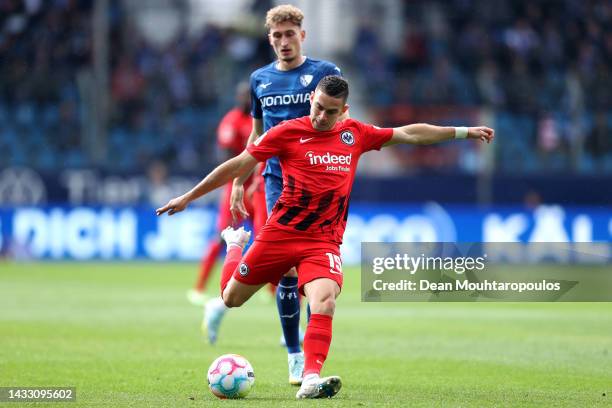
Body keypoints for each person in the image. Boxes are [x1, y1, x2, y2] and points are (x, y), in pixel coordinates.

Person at [156, 75, 495, 399]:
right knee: (231, 299)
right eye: (318, 107)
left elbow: (409, 134)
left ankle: (310, 377)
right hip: (280, 235)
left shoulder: (355, 134)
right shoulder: (287, 132)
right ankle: (234, 248)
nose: (321, 116)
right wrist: (188, 196)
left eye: (331, 111)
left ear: (344, 111)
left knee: (325, 301)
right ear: (310, 100)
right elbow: (239, 163)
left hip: (322, 242)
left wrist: (463, 131)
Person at [204, 4, 346, 386]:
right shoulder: (259, 80)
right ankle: (294, 355)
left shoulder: (324, 73)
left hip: (316, 183)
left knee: (305, 269)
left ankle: (227, 302)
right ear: (269, 39)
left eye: (290, 34)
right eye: (277, 36)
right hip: (274, 182)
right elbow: (255, 136)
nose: (284, 42)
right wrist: (238, 181)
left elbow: (340, 123)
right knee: (285, 267)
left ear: (303, 35)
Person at [186, 82, 267, 307]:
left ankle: (271, 290)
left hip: (258, 188)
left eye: (248, 96)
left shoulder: (259, 120)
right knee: (220, 237)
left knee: (266, 240)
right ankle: (198, 288)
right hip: (235, 188)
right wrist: (235, 180)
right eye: (242, 96)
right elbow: (224, 156)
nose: (245, 100)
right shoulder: (231, 121)